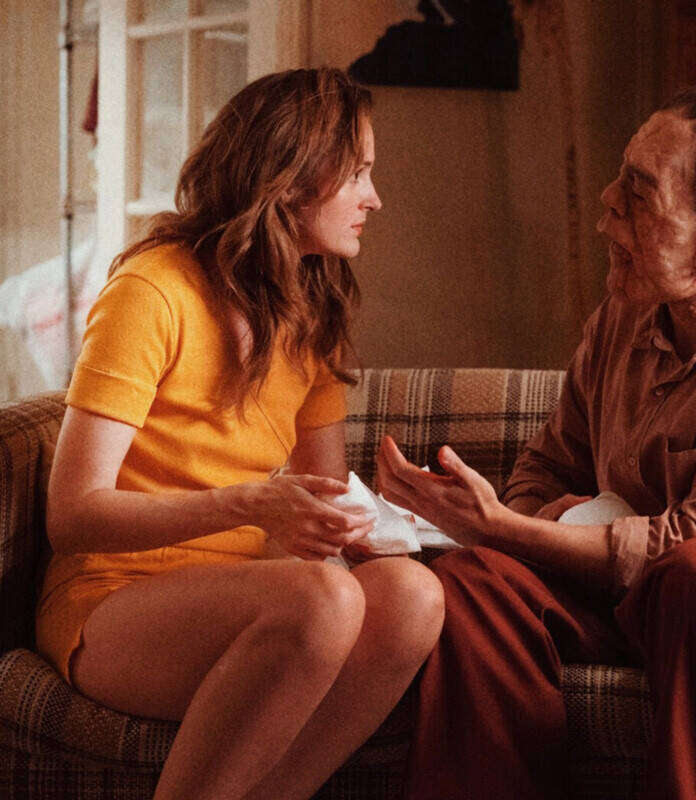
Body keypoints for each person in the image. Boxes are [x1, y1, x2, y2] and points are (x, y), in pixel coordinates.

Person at [378, 85, 696, 800]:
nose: (606, 206)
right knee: (473, 580)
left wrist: (504, 526)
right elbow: (552, 462)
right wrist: (517, 526)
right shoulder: (625, 312)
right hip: (629, 592)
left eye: (638, 194)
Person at [36, 68, 444, 800]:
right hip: (114, 598)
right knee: (321, 600)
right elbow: (72, 516)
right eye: (357, 174)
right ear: (291, 178)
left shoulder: (311, 312)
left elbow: (322, 502)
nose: (374, 198)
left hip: (257, 595)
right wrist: (252, 503)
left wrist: (400, 520)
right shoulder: (152, 291)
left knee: (412, 595)